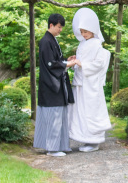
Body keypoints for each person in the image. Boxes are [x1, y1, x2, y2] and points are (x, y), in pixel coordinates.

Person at [68, 7, 112, 152]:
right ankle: (85, 139)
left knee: (91, 111)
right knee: (80, 111)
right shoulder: (82, 44)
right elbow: (82, 61)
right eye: (81, 31)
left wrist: (82, 64)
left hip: (91, 84)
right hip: (81, 82)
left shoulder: (97, 44)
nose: (83, 34)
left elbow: (99, 64)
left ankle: (94, 141)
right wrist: (75, 61)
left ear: (93, 30)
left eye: (85, 31)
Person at [33, 13, 77, 157]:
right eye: (59, 27)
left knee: (60, 115)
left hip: (55, 83)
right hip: (50, 85)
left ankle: (60, 146)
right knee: (53, 116)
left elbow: (56, 61)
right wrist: (68, 64)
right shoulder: (46, 41)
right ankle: (52, 149)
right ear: (51, 25)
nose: (60, 30)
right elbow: (50, 64)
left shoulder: (51, 40)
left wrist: (66, 61)